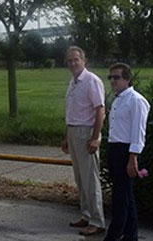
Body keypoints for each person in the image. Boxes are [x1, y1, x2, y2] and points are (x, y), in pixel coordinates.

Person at [62, 46, 106, 236]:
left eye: (76, 60)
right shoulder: (73, 82)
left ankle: (97, 221)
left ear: (84, 61)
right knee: (80, 179)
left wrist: (95, 137)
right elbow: (72, 111)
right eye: (69, 60)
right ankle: (86, 215)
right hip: (74, 132)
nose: (72, 63)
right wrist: (67, 136)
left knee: (90, 180)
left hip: (86, 133)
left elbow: (100, 110)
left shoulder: (91, 81)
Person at [104, 62, 150, 241]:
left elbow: (138, 132)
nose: (113, 81)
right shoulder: (118, 99)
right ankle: (131, 235)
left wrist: (133, 157)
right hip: (115, 148)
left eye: (117, 77)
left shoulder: (136, 100)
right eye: (111, 77)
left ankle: (114, 235)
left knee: (120, 198)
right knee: (125, 195)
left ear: (128, 79)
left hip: (127, 150)